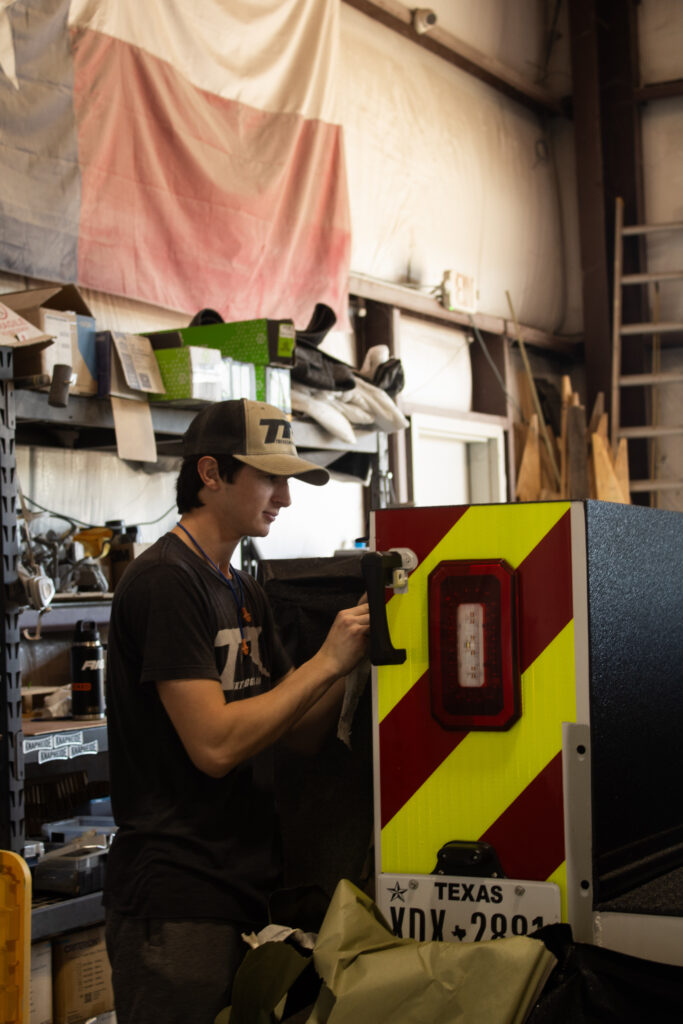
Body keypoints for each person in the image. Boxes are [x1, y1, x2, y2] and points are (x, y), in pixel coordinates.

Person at [103, 398, 370, 1024]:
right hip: (178, 898)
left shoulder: (241, 588)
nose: (285, 496)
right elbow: (216, 746)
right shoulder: (166, 582)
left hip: (246, 887)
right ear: (211, 474)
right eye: (269, 477)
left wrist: (358, 651)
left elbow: (297, 734)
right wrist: (326, 662)